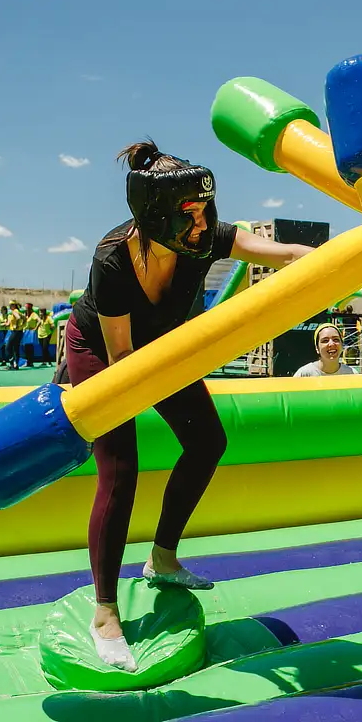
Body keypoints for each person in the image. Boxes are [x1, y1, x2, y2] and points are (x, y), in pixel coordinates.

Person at [66, 139, 314, 672]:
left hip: (160, 348)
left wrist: (327, 264)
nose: (202, 225)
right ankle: (106, 611)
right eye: (189, 214)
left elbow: (281, 253)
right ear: (156, 214)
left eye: (205, 211)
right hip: (108, 353)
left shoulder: (206, 241)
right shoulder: (112, 258)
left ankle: (162, 559)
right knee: (121, 469)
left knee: (208, 442)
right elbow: (124, 361)